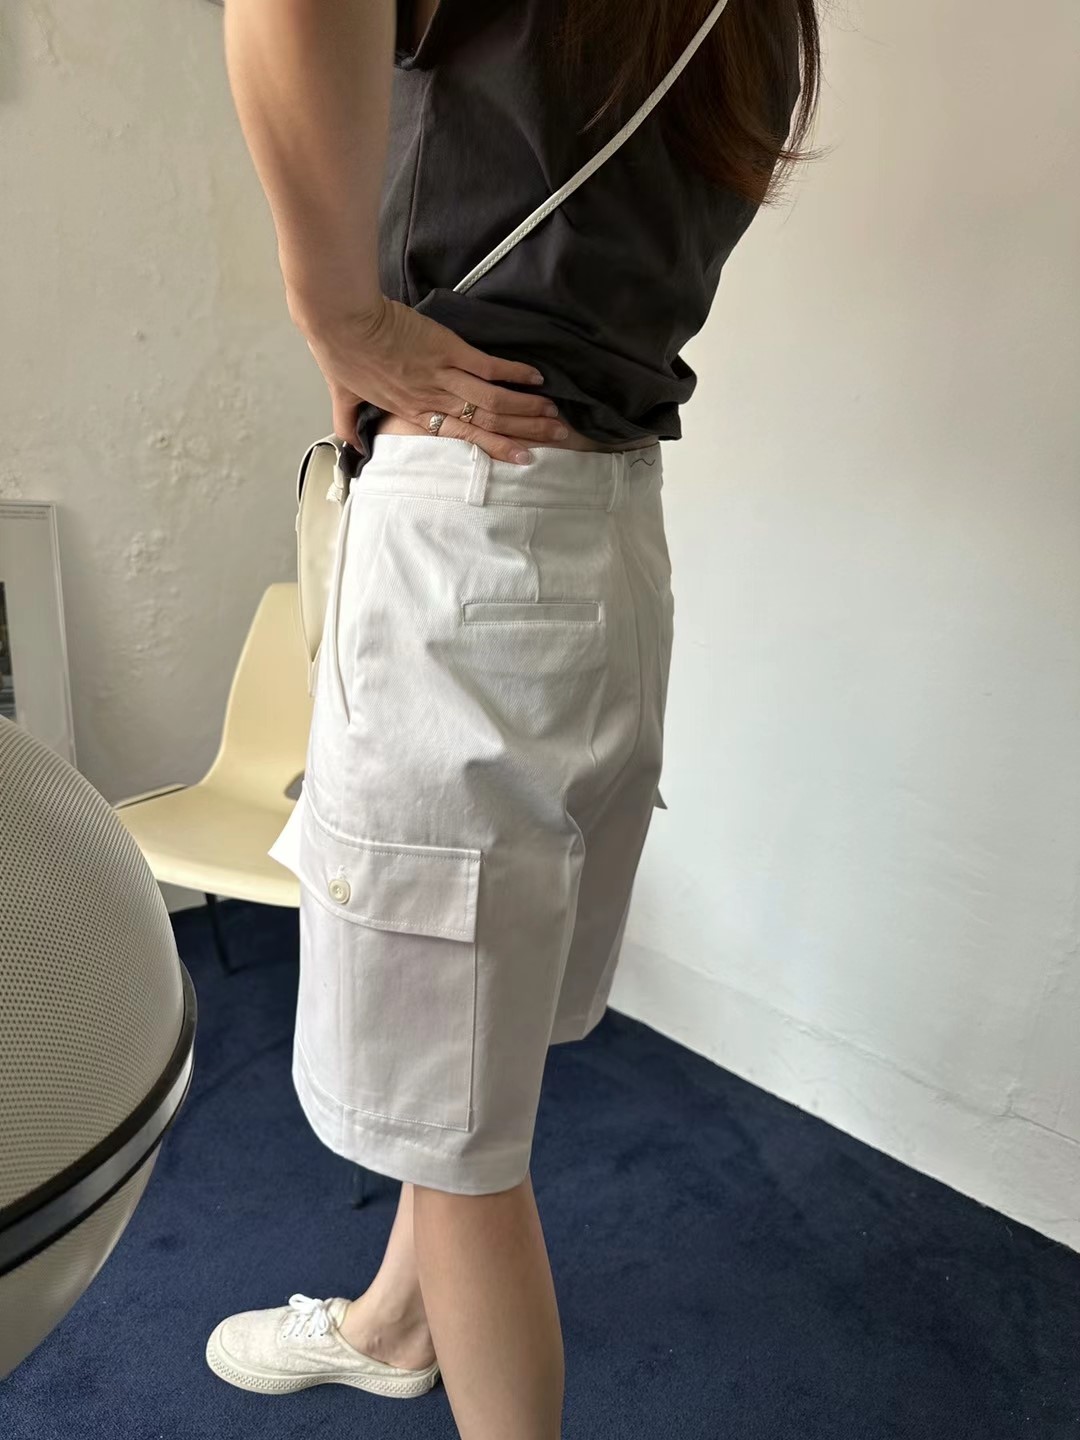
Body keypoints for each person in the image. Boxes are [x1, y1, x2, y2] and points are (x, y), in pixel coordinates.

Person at [206, 2, 820, 1436]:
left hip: (468, 534)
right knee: (469, 1057)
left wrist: (339, 313)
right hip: (609, 534)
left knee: (463, 1148)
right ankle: (391, 1323)